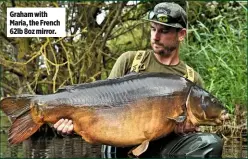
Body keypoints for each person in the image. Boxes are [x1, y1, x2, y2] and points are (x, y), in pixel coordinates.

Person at [54, 2, 224, 158]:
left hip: (165, 148)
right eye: (153, 29)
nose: (156, 37)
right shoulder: (130, 61)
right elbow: (102, 104)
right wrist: (71, 125)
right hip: (122, 140)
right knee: (111, 146)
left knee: (211, 144)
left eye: (164, 31)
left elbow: (191, 129)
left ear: (181, 34)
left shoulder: (191, 79)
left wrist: (184, 129)